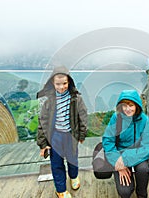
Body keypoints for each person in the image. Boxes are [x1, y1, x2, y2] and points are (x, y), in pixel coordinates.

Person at [36, 66, 88, 198]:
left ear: (69, 81)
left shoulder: (76, 98)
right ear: (52, 83)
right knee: (57, 164)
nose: (61, 87)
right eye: (58, 84)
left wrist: (82, 134)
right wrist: (43, 143)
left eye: (64, 83)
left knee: (73, 159)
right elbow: (43, 122)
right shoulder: (49, 101)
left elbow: (83, 116)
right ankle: (61, 189)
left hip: (71, 135)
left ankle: (74, 176)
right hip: (55, 137)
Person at [102, 90, 149, 198]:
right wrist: (118, 163)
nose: (127, 109)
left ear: (137, 105)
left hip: (138, 153)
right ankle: (128, 185)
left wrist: (125, 158)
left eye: (131, 105)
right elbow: (108, 141)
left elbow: (148, 147)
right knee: (125, 192)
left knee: (143, 169)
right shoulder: (116, 118)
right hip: (119, 155)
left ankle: (142, 194)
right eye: (124, 105)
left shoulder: (144, 120)